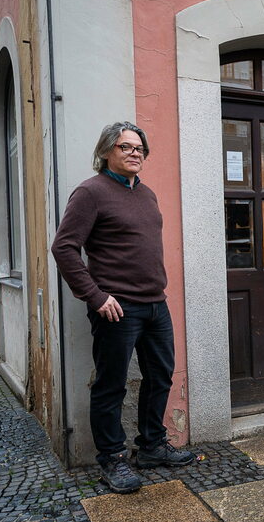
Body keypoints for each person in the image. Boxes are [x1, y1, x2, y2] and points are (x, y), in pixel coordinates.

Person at [51, 121, 194, 494]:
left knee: (161, 375)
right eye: (126, 147)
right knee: (111, 385)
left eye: (140, 148)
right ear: (105, 152)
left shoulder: (146, 194)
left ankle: (151, 446)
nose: (135, 153)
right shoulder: (90, 192)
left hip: (154, 304)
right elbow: (64, 248)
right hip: (117, 308)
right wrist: (96, 297)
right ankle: (112, 459)